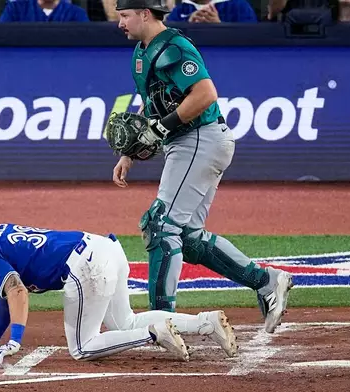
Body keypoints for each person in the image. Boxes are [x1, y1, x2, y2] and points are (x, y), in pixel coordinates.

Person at [106, 0, 293, 334]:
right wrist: (129, 153)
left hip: (199, 138)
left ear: (145, 13)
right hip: (191, 142)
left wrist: (162, 128)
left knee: (160, 226)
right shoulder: (140, 54)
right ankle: (267, 282)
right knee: (187, 238)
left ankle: (162, 322)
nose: (120, 22)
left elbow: (205, 94)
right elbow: (154, 107)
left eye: (125, 15)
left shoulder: (175, 47)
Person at [0, 223, 238, 366]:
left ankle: (154, 334)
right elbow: (6, 293)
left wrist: (15, 340)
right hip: (105, 248)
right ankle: (205, 322)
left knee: (83, 348)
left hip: (85, 268)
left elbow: (16, 290)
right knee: (125, 322)